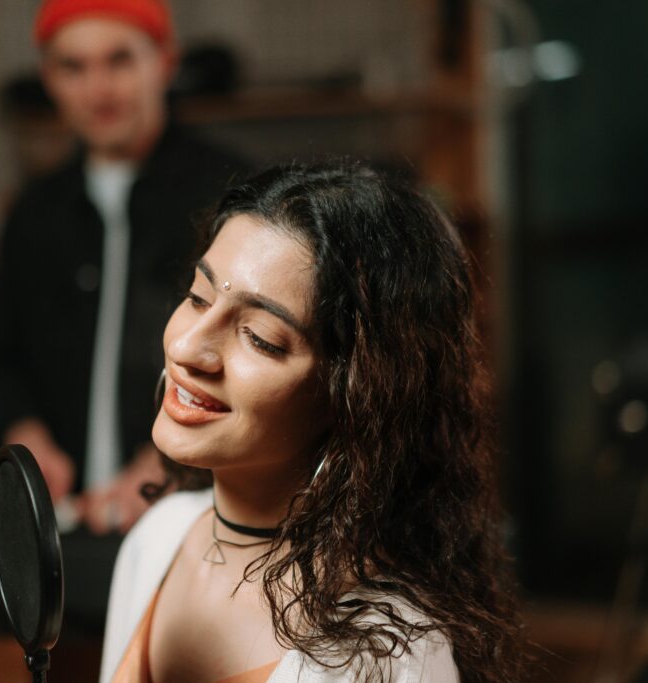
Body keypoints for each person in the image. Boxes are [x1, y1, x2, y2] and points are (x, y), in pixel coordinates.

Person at [99, 162, 525, 682]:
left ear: (355, 395)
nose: (188, 348)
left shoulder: (389, 652)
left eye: (259, 337)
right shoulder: (156, 541)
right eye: (197, 298)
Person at [0, 0, 245, 531]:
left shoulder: (236, 196)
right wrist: (26, 436)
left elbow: (256, 362)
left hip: (200, 517)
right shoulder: (33, 213)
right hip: (72, 523)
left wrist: (174, 461)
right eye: (73, 67)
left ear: (164, 62)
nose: (97, 90)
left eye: (119, 60)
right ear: (48, 78)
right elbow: (3, 358)